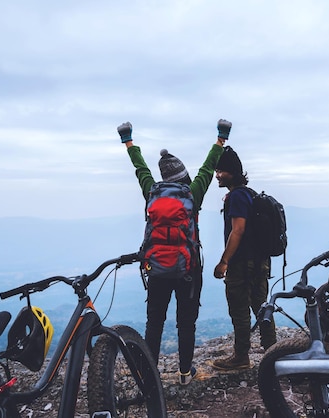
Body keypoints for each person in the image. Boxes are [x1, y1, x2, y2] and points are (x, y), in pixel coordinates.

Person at [117, 119, 231, 385]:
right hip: (188, 270)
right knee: (186, 323)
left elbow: (141, 168)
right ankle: (183, 373)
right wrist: (220, 139)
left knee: (154, 322)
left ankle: (148, 374)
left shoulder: (152, 191)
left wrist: (128, 142)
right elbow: (208, 166)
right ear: (183, 176)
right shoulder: (193, 193)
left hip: (156, 268)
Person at [212, 146, 277, 370]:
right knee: (262, 307)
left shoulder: (238, 196)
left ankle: (241, 357)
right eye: (217, 170)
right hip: (260, 262)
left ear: (233, 172)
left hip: (242, 264)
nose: (217, 175)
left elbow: (237, 230)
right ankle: (272, 352)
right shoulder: (249, 194)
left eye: (222, 171)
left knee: (239, 309)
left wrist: (224, 261)